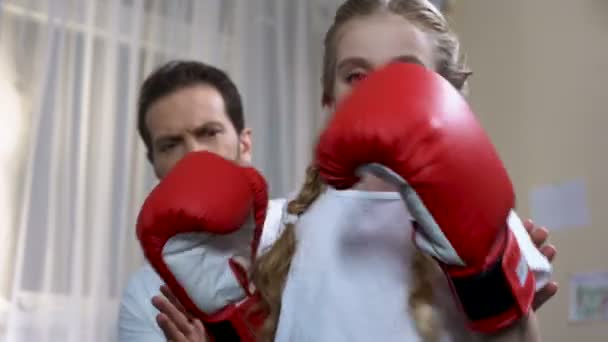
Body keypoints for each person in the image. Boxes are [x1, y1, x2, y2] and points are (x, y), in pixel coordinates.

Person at [126, 1, 558, 340]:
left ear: (449, 94)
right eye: (356, 75)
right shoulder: (276, 228)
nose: (381, 92)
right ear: (328, 99)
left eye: (405, 73)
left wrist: (485, 273)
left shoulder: (486, 217)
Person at [117, 60, 286, 342]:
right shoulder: (147, 297)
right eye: (171, 144)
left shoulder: (305, 230)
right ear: (155, 166)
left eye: (209, 132)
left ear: (245, 145)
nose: (193, 155)